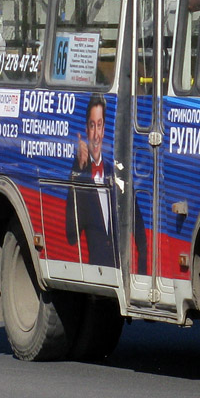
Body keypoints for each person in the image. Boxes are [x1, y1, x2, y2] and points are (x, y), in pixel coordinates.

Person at [65, 94, 147, 271]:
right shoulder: (80, 175)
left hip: (121, 272)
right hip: (96, 275)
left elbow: (138, 226)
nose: (96, 135)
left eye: (99, 125)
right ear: (86, 130)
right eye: (92, 126)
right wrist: (77, 171)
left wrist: (142, 271)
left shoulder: (117, 172)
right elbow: (71, 235)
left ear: (104, 130)